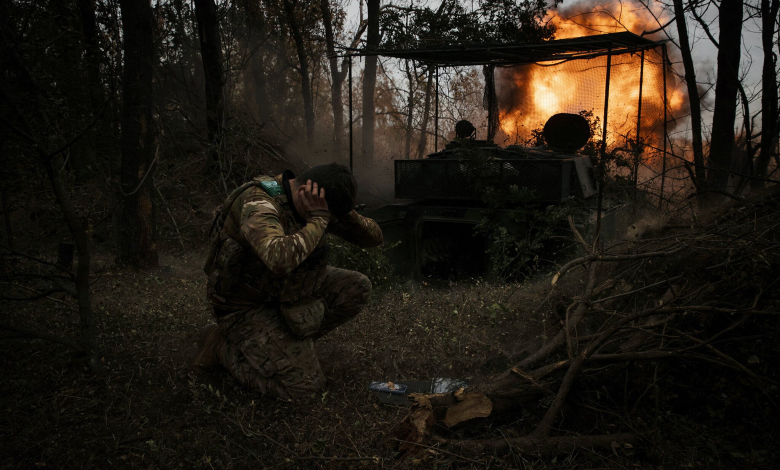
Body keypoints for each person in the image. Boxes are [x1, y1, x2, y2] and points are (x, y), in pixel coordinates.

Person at [195, 163, 383, 400]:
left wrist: (342, 212)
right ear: (306, 191)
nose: (326, 220)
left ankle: (284, 347)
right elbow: (279, 258)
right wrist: (318, 221)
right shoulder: (258, 204)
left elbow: (374, 238)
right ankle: (221, 346)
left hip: (284, 291)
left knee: (357, 286)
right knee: (304, 390)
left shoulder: (315, 204)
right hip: (243, 305)